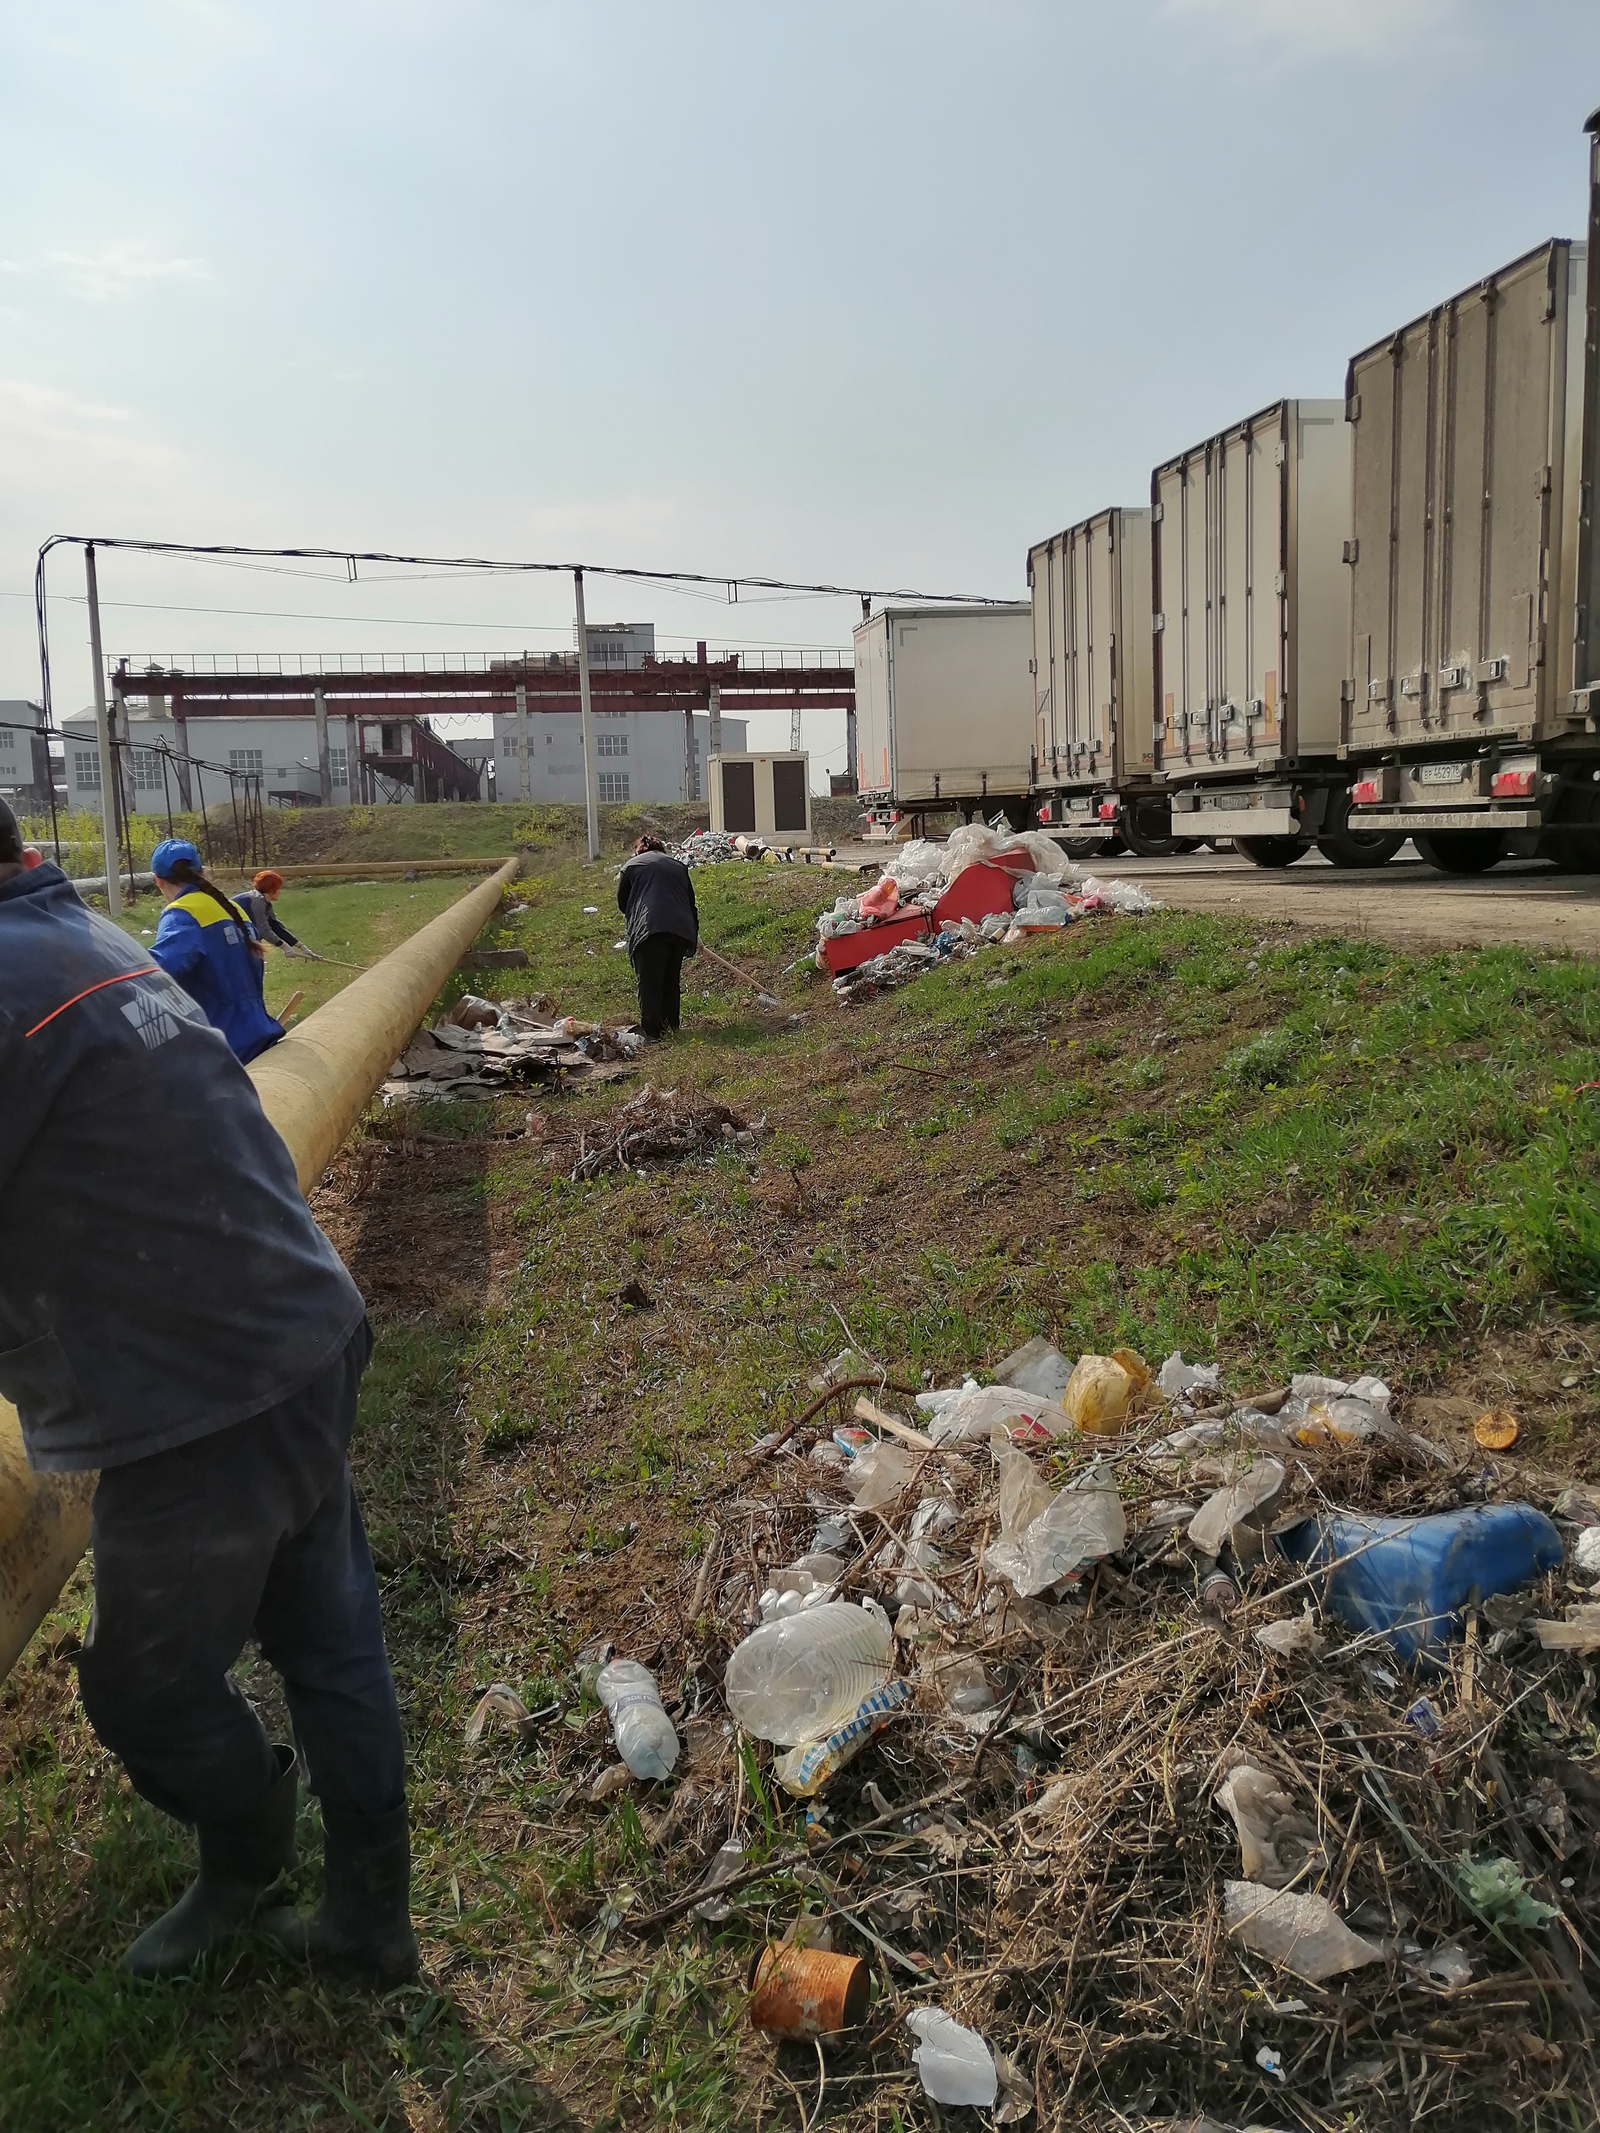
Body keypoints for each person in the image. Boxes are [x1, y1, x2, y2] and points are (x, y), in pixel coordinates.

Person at [0, 798, 415, 1985]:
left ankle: (245, 1863)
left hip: (193, 1390)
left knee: (141, 1686)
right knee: (327, 1638)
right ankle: (369, 1921)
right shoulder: (92, 938)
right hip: (302, 1328)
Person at [148, 838, 287, 1064]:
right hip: (257, 1034)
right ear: (202, 872)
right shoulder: (234, 911)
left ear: (158, 881)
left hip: (221, 1051)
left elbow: (154, 975)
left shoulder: (181, 914)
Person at [616, 833, 698, 1037]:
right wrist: (694, 931)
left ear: (638, 850)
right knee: (671, 979)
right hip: (680, 929)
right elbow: (690, 902)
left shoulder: (632, 866)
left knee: (649, 982)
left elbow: (622, 904)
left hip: (649, 929)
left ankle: (653, 1033)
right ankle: (671, 1027)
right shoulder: (678, 866)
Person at [236, 869, 312, 957]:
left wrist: (302, 947)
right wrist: (283, 946)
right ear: (271, 889)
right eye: (278, 888)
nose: (280, 892)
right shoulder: (257, 902)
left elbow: (275, 926)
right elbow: (263, 929)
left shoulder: (264, 902)